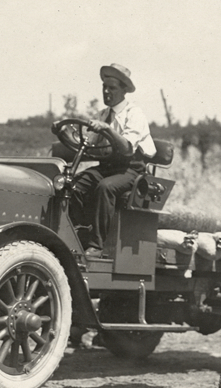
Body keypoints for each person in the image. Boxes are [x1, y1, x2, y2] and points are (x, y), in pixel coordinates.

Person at [65, 64, 156, 259]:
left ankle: (97, 245)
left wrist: (107, 129)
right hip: (106, 167)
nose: (106, 92)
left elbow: (126, 148)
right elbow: (88, 143)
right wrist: (65, 131)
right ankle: (78, 233)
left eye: (112, 88)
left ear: (124, 90)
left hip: (132, 170)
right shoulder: (103, 114)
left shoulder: (134, 114)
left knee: (105, 187)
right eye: (104, 87)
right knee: (73, 185)